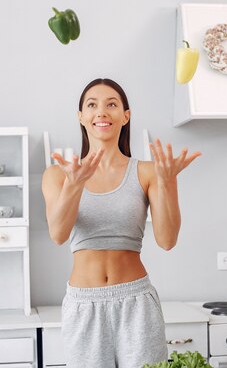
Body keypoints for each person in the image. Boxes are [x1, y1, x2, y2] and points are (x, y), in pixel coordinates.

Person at [42, 78, 201, 368]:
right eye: (92, 105)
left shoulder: (150, 172)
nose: (102, 111)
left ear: (125, 116)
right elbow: (58, 234)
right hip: (83, 305)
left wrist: (167, 183)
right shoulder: (58, 175)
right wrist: (75, 185)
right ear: (81, 117)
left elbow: (167, 240)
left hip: (136, 302)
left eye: (112, 104)